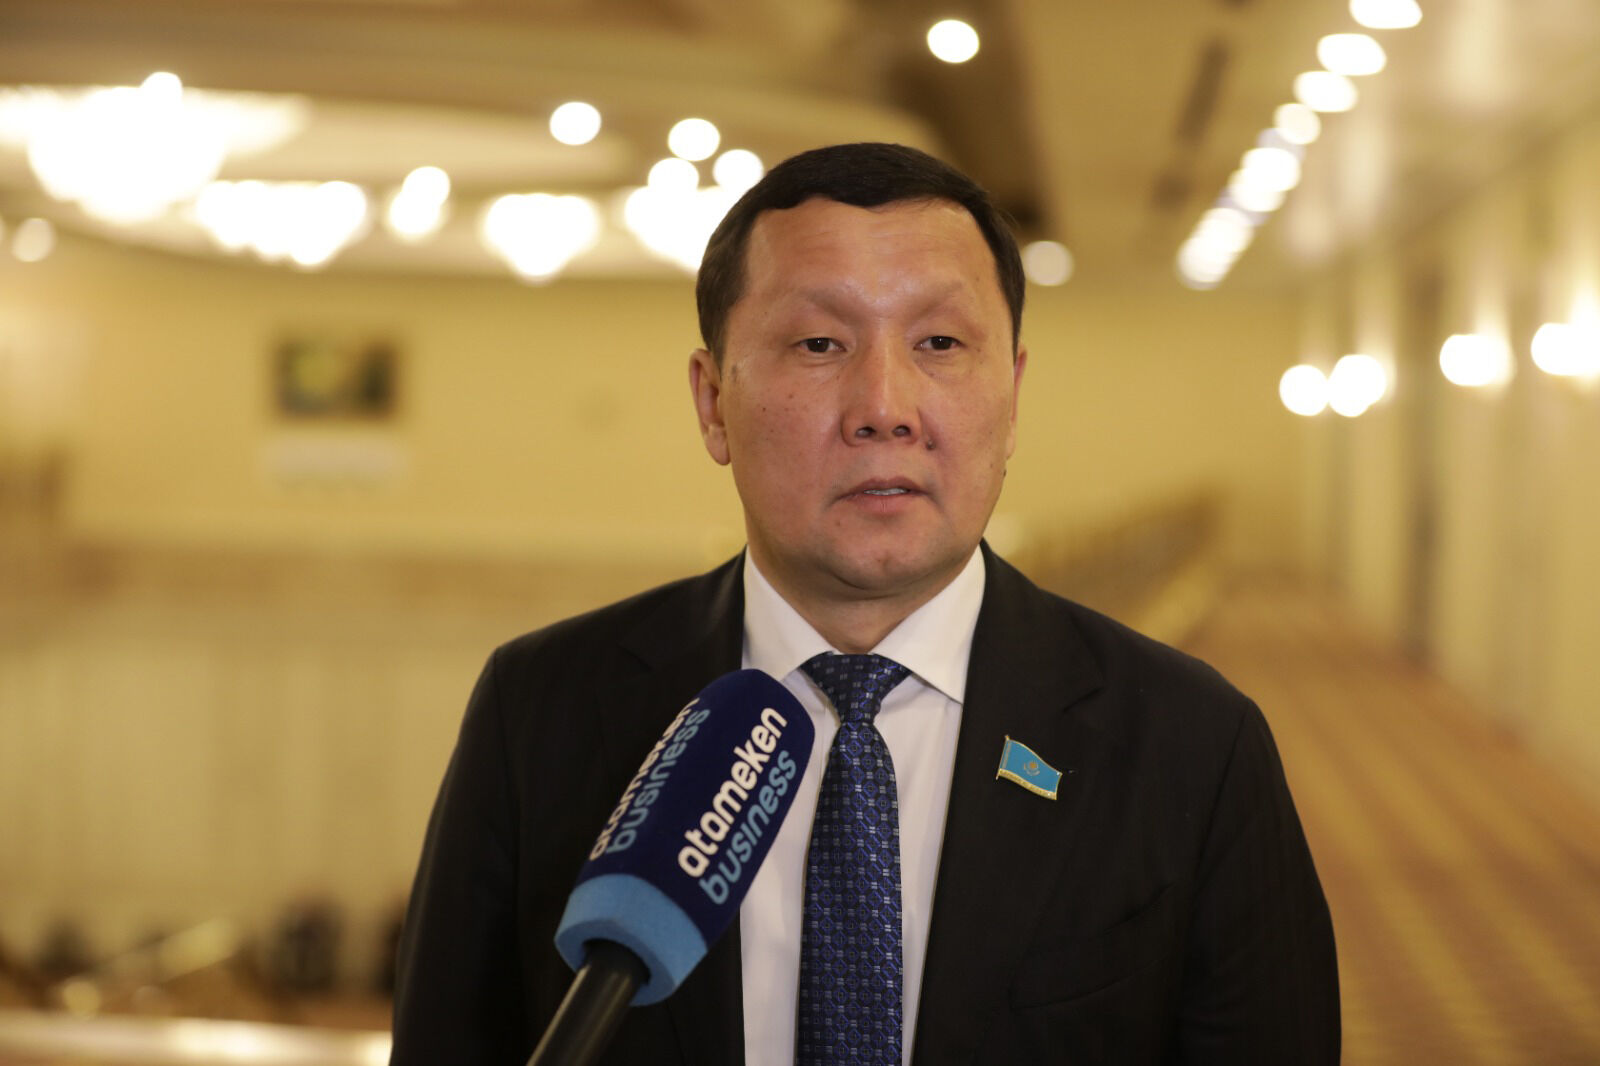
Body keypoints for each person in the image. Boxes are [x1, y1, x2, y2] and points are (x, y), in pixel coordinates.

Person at [390, 142, 1339, 1065]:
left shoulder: (1191, 744)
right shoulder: (542, 711)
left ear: (1012, 394)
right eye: (819, 343)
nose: (884, 405)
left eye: (940, 343)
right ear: (713, 403)